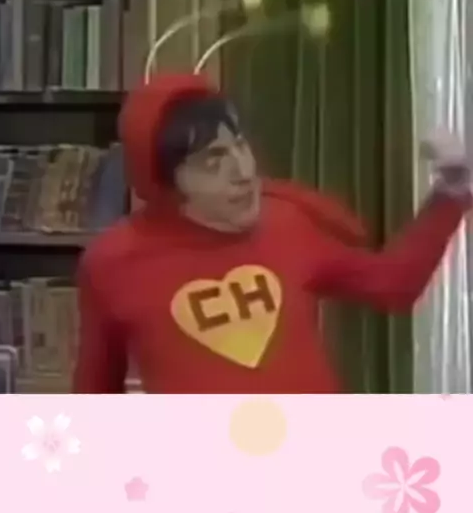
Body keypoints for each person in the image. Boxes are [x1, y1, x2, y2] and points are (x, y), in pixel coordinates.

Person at [73, 73, 472, 394]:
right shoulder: (112, 262)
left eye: (240, 146)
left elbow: (394, 284)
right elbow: (95, 394)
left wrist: (452, 192)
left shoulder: (287, 224)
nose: (244, 171)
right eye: (213, 162)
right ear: (165, 184)